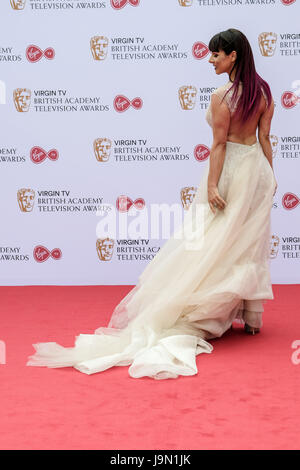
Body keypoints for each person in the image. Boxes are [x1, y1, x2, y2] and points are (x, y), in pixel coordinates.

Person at [27, 28, 277, 380]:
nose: (210, 60)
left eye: (216, 55)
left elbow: (220, 145)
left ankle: (203, 310)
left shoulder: (222, 96)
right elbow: (264, 139)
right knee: (246, 243)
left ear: (233, 56)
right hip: (257, 172)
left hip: (232, 173)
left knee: (211, 243)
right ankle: (252, 319)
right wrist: (271, 176)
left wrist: (210, 184)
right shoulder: (264, 92)